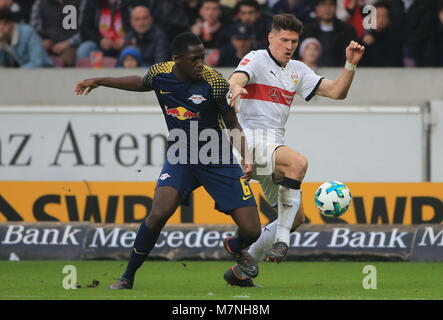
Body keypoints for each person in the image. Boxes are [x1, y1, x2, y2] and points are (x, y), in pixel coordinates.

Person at [74, 32, 262, 289]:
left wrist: (246, 157)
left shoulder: (215, 83)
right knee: (159, 212)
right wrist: (100, 80)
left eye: (203, 58)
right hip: (181, 156)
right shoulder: (159, 73)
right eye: (195, 59)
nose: (201, 64)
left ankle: (235, 246)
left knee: (252, 231)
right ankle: (127, 276)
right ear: (177, 60)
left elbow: (232, 124)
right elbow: (140, 83)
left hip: (216, 157)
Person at [223, 13, 364, 286]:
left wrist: (350, 65)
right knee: (298, 163)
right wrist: (235, 88)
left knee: (296, 216)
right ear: (271, 38)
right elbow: (237, 78)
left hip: (272, 146)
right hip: (250, 142)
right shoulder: (256, 59)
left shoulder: (298, 70)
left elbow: (336, 92)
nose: (289, 46)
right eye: (284, 40)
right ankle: (282, 243)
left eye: (294, 41)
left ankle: (242, 268)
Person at [301, 0, 356, 67]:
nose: (327, 8)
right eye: (323, 4)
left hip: (340, 73)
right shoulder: (307, 31)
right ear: (317, 8)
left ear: (336, 7)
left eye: (330, 4)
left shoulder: (348, 31)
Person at [30, 0, 84, 67]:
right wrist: (41, 41)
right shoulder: (40, 3)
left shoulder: (79, 2)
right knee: (35, 58)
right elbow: (33, 29)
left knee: (67, 59)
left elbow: (83, 30)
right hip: (46, 45)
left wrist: (67, 43)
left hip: (70, 45)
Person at [358, 1, 402, 67]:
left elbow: (394, 65)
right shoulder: (363, 41)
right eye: (377, 16)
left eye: (384, 16)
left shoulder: (395, 40)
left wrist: (373, 46)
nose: (381, 20)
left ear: (389, 19)